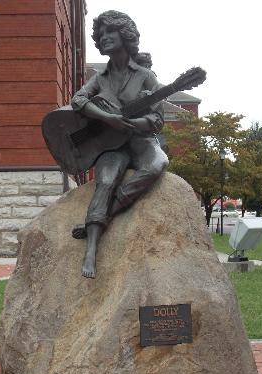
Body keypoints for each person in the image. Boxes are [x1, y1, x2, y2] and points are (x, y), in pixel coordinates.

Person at [71, 10, 168, 279]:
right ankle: (90, 249)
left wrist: (134, 124)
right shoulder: (99, 78)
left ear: (125, 36)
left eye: (109, 33)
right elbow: (78, 100)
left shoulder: (146, 76)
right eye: (100, 35)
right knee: (106, 179)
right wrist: (108, 119)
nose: (103, 38)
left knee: (158, 164)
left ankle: (107, 215)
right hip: (112, 143)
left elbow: (157, 120)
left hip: (139, 140)